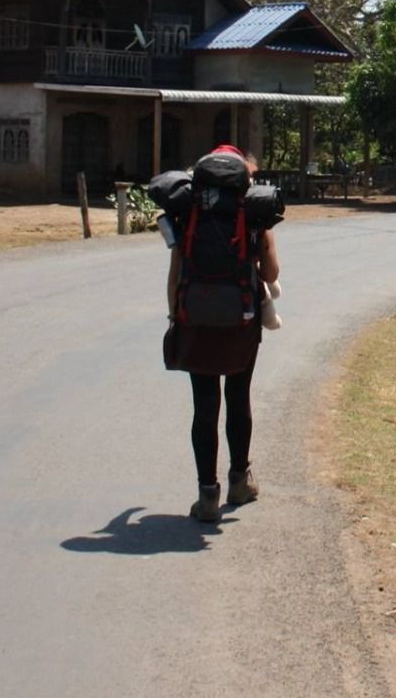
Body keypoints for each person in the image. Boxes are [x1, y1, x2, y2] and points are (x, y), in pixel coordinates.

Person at [165, 145, 280, 523]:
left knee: (204, 405)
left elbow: (176, 273)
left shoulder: (189, 209)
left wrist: (174, 317)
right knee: (238, 397)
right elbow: (270, 275)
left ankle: (207, 495)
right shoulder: (252, 210)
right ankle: (239, 482)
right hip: (241, 319)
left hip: (195, 318)